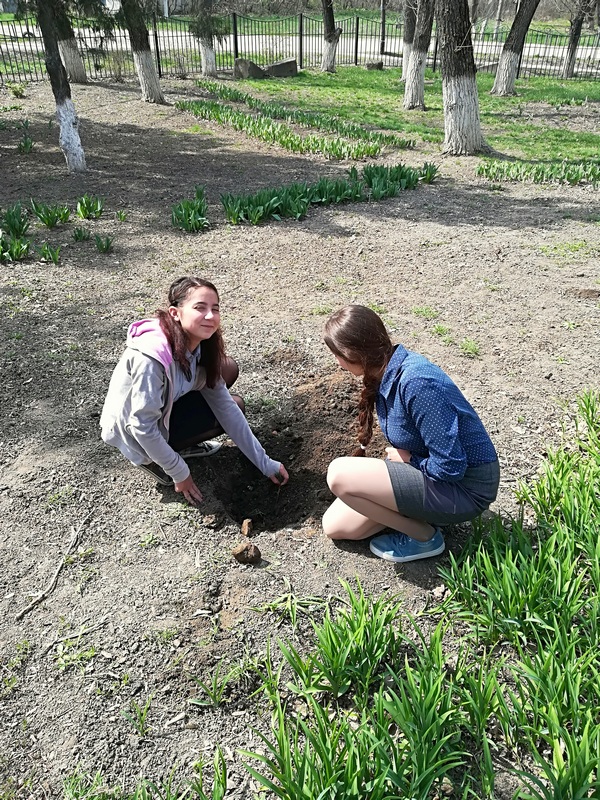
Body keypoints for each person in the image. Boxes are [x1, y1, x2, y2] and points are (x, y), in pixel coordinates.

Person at [321, 305, 499, 563]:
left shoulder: (417, 383)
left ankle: (424, 536)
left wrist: (410, 460)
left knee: (339, 474)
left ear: (352, 354)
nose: (337, 363)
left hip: (465, 490)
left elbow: (451, 466)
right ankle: (420, 512)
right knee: (336, 526)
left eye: (337, 355)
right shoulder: (384, 370)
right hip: (434, 475)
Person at [100, 276, 288, 506]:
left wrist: (265, 462)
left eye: (215, 309)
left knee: (227, 373)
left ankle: (175, 445)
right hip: (131, 433)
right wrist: (179, 471)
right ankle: (152, 460)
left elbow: (225, 406)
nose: (210, 316)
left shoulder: (200, 343)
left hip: (162, 410)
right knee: (232, 400)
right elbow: (141, 426)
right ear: (175, 313)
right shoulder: (151, 359)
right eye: (200, 308)